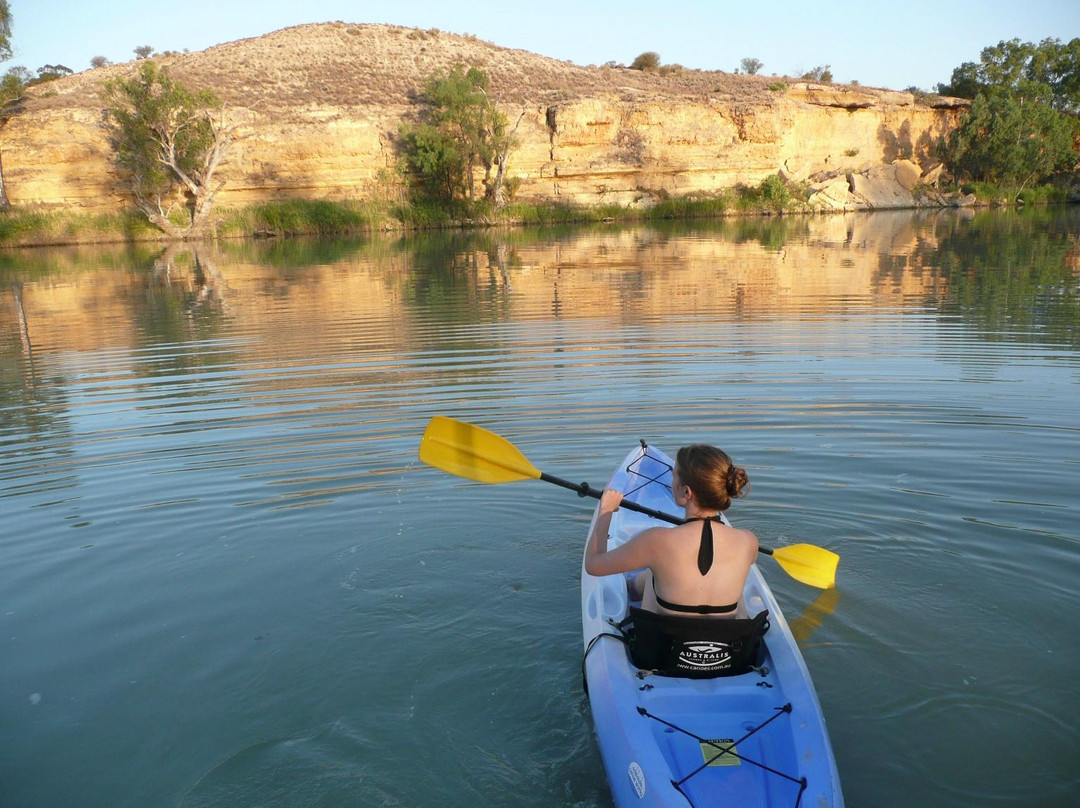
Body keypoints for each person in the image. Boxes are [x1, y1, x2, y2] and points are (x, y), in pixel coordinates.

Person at [584, 444, 758, 618]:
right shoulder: (748, 541)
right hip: (730, 642)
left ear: (686, 491)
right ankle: (634, 588)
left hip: (669, 642)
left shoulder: (656, 541)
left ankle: (632, 590)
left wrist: (605, 511)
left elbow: (594, 565)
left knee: (656, 569)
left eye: (673, 476)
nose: (671, 482)